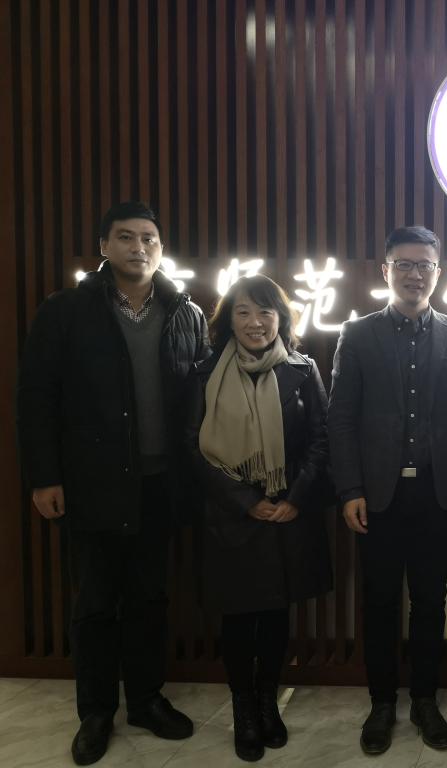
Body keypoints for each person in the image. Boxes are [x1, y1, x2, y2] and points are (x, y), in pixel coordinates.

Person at [16, 201, 209, 765]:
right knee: (96, 602)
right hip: (92, 484)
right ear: (104, 247)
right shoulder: (66, 310)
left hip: (161, 483)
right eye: (126, 237)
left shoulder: (185, 313)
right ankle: (96, 712)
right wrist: (44, 477)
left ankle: (145, 700)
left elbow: (198, 400)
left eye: (149, 238)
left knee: (150, 597)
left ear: (161, 249)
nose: (139, 247)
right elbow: (36, 399)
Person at [327, 226, 447, 755]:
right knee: (379, 601)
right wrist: (349, 487)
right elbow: (341, 418)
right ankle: (381, 704)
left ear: (438, 273)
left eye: (425, 265)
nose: (415, 274)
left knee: (431, 602)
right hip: (377, 495)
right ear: (386, 270)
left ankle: (424, 700)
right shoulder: (358, 334)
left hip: (438, 494)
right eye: (405, 264)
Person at [183, 275, 332, 762]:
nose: (255, 322)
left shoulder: (302, 370)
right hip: (232, 517)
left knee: (274, 614)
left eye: (266, 311)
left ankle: (268, 701)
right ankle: (243, 708)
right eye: (244, 311)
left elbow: (322, 439)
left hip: (286, 513)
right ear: (228, 319)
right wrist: (243, 499)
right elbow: (193, 447)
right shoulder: (204, 373)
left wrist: (297, 497)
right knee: (237, 617)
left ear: (281, 319)